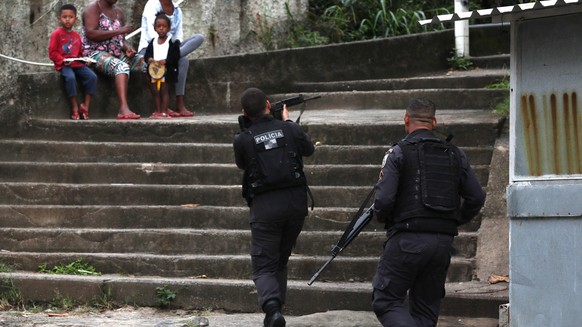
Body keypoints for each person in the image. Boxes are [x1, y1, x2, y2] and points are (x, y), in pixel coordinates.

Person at [372, 98, 485, 327]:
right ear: (434, 121)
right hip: (442, 243)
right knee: (425, 310)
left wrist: (385, 218)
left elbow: (383, 200)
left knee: (386, 301)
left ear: (406, 120)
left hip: (406, 238)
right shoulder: (456, 154)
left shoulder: (398, 152)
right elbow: (476, 197)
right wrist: (455, 219)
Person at [233, 88, 315, 327]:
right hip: (295, 205)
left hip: (265, 208)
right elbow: (309, 149)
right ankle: (275, 312)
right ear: (269, 105)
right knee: (279, 260)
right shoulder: (289, 128)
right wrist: (287, 121)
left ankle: (272, 309)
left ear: (244, 113)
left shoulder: (243, 138)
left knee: (263, 266)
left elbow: (242, 163)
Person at [138, 0, 205, 117]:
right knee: (183, 60)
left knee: (198, 38)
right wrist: (165, 53)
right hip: (151, 49)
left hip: (170, 48)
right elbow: (152, 34)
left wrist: (172, 50)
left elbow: (178, 36)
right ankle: (171, 106)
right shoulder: (152, 4)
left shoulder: (177, 9)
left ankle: (180, 104)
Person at [81, 0, 146, 120]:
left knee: (146, 64)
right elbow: (91, 33)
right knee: (121, 67)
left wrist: (127, 49)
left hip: (116, 53)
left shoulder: (118, 12)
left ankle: (160, 108)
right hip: (95, 53)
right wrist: (119, 31)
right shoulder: (94, 7)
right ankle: (123, 109)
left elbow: (121, 39)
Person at [48, 4, 97, 120]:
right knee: (70, 78)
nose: (67, 19)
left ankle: (85, 106)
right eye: (64, 17)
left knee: (92, 76)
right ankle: (75, 107)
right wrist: (62, 60)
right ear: (59, 19)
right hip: (64, 65)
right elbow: (52, 52)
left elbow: (79, 54)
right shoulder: (56, 34)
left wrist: (85, 61)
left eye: (70, 17)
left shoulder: (76, 36)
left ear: (76, 19)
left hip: (77, 64)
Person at [144, 12, 180, 119]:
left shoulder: (172, 42)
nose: (161, 29)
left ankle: (164, 111)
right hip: (154, 71)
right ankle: (157, 111)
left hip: (166, 71)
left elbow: (176, 55)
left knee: (164, 90)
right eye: (158, 26)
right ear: (155, 28)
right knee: (155, 91)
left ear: (168, 28)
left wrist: (166, 61)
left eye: (164, 26)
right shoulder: (153, 42)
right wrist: (149, 59)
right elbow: (147, 54)